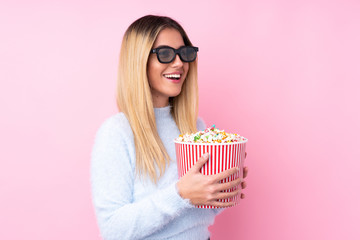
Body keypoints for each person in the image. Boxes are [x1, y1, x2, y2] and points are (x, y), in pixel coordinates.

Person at [91, 15, 248, 240]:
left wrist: (220, 190)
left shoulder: (195, 127)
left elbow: (199, 216)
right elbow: (114, 230)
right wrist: (180, 193)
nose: (179, 63)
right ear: (139, 60)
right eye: (165, 54)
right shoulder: (116, 133)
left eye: (184, 53)